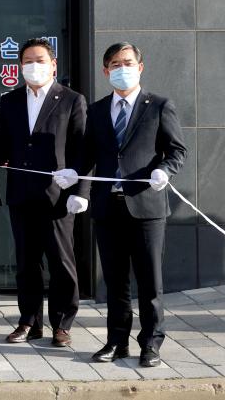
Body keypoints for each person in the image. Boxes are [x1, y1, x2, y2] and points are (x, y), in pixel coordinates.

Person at [53, 42, 186, 367]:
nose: (120, 68)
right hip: (108, 207)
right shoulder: (97, 110)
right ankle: (116, 341)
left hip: (147, 207)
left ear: (140, 67)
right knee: (114, 282)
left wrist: (163, 171)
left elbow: (177, 150)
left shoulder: (158, 106)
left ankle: (151, 343)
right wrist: (74, 174)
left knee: (149, 281)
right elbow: (88, 154)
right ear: (105, 71)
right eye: (114, 64)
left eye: (127, 62)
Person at [0, 37, 88, 347]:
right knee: (27, 263)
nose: (34, 67)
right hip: (22, 195)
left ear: (53, 64)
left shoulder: (72, 100)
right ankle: (29, 322)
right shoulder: (10, 101)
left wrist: (80, 189)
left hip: (58, 195)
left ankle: (62, 324)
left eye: (40, 60)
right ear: (20, 66)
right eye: (28, 62)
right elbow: (2, 145)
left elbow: (82, 150)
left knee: (62, 263)